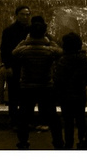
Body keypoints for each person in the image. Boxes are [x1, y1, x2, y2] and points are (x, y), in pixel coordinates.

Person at [11, 16, 60, 148]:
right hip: (46, 86)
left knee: (24, 116)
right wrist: (49, 41)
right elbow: (59, 51)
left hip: (27, 87)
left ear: (30, 34)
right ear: (44, 33)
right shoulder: (49, 51)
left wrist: (25, 41)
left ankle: (23, 141)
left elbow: (14, 52)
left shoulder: (24, 50)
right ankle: (58, 141)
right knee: (52, 115)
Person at [50, 32, 87, 150]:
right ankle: (82, 141)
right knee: (80, 118)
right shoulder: (84, 59)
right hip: (80, 94)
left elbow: (57, 78)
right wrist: (81, 85)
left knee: (67, 120)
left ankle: (68, 144)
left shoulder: (62, 60)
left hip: (65, 96)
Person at [0, 5, 31, 121]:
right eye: (22, 14)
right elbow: (4, 50)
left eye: (27, 14)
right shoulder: (9, 31)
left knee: (26, 97)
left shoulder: (32, 30)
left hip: (28, 67)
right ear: (16, 15)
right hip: (14, 66)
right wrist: (7, 66)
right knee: (13, 95)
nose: (25, 17)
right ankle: (14, 121)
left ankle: (25, 121)